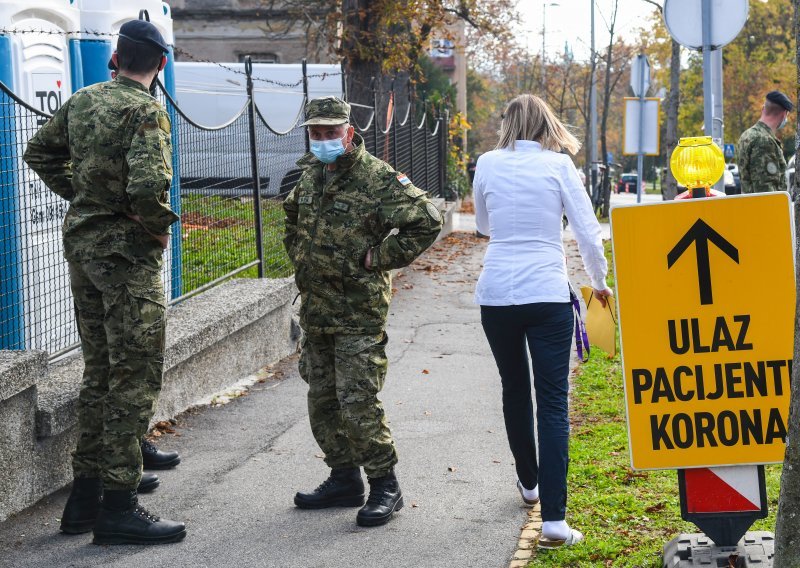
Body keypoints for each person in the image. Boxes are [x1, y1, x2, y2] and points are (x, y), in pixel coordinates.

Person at [23, 19, 185, 545]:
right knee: (133, 376)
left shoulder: (85, 99)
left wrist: (86, 198)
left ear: (115, 57)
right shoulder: (146, 112)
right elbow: (146, 186)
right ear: (159, 64)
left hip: (84, 248)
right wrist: (155, 228)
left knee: (99, 372)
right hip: (126, 257)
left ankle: (84, 501)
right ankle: (119, 506)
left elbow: (39, 152)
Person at [283, 96, 442, 527]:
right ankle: (343, 478)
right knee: (322, 400)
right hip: (317, 310)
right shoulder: (313, 173)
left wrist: (379, 257)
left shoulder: (378, 179)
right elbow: (292, 213)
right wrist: (300, 255)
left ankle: (385, 485)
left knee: (358, 402)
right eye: (316, 132)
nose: (323, 139)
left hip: (357, 311)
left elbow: (427, 219)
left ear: (349, 133)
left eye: (331, 132)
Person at [472, 94, 612, 549]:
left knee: (514, 388)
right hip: (546, 293)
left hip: (496, 293)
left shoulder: (487, 163)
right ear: (546, 124)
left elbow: (484, 225)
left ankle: (527, 484)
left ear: (508, 123)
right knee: (552, 402)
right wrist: (599, 281)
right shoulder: (558, 166)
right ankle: (553, 519)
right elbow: (588, 232)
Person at [737, 90, 793, 194]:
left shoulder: (746, 135)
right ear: (784, 114)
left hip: (750, 206)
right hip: (765, 209)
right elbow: (766, 191)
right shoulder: (764, 141)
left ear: (763, 108)